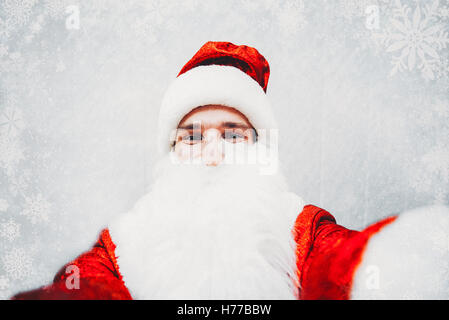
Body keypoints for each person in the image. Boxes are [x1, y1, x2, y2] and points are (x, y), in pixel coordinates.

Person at [12, 41, 449, 300]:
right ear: (171, 149)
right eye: (194, 135)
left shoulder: (300, 227)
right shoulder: (125, 241)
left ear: (259, 146)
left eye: (233, 134)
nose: (213, 152)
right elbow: (85, 287)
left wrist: (404, 258)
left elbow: (343, 263)